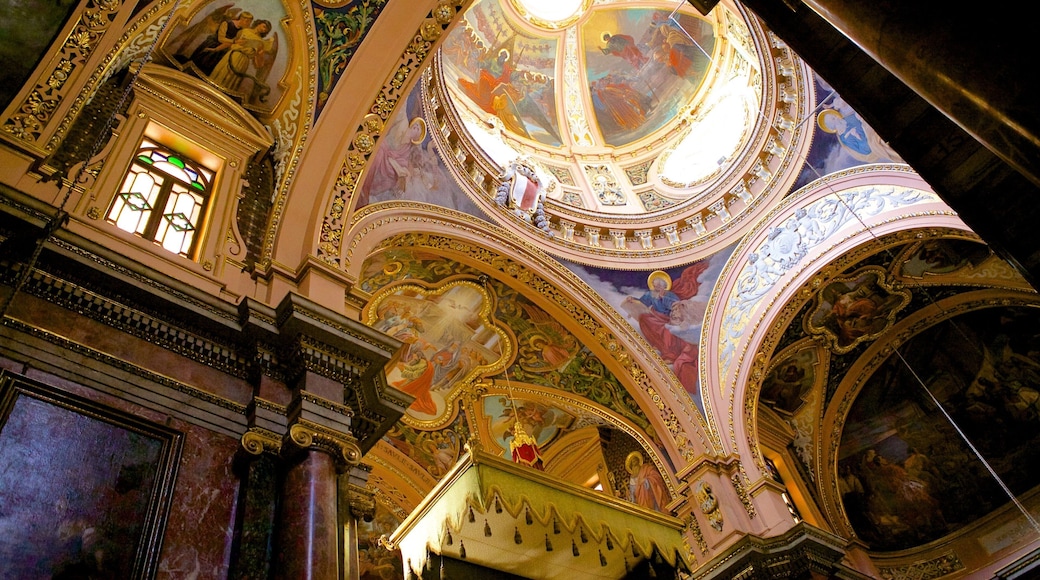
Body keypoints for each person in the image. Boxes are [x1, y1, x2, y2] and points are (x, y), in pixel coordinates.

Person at [209, 19, 275, 94]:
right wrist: (216, 49)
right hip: (232, 55)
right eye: (264, 26)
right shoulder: (244, 31)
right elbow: (231, 42)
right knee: (221, 73)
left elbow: (259, 65)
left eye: (266, 30)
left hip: (243, 61)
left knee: (230, 80)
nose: (264, 30)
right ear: (259, 23)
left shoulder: (261, 42)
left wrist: (259, 55)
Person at [189, 10, 252, 76]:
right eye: (247, 21)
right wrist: (234, 42)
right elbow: (221, 39)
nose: (248, 24)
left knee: (207, 70)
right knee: (198, 64)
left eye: (250, 22)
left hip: (221, 49)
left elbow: (229, 43)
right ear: (241, 19)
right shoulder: (226, 23)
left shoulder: (241, 30)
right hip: (212, 44)